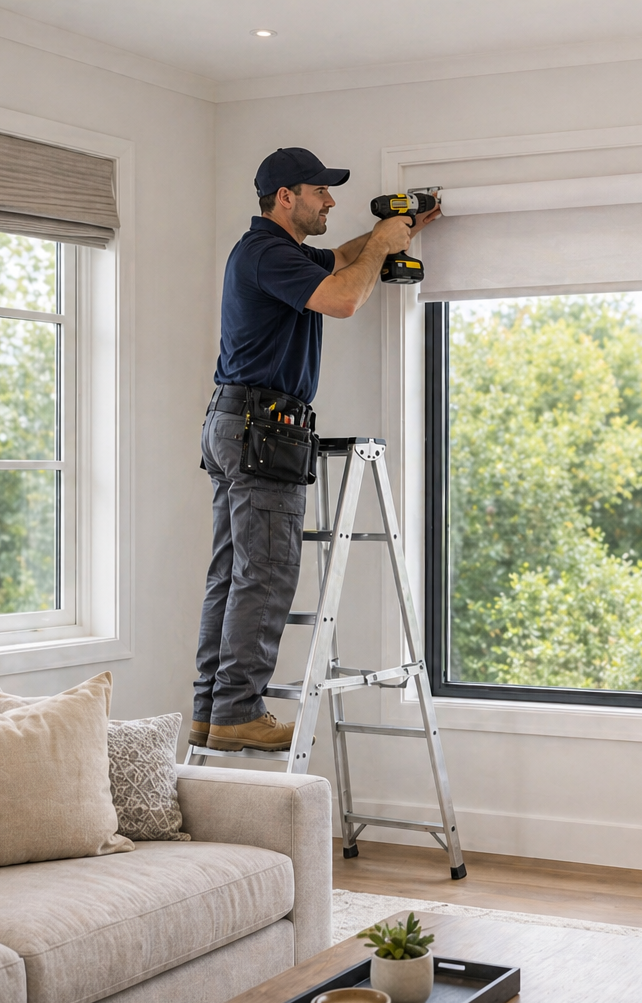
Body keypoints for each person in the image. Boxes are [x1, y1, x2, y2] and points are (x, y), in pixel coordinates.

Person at [191, 147, 438, 752]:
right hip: (262, 427)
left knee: (233, 573)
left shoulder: (280, 254)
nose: (330, 200)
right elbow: (345, 297)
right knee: (266, 573)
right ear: (286, 197)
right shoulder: (268, 253)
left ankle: (212, 709)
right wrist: (382, 246)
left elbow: (342, 258)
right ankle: (237, 712)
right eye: (319, 191)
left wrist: (389, 232)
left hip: (239, 421)